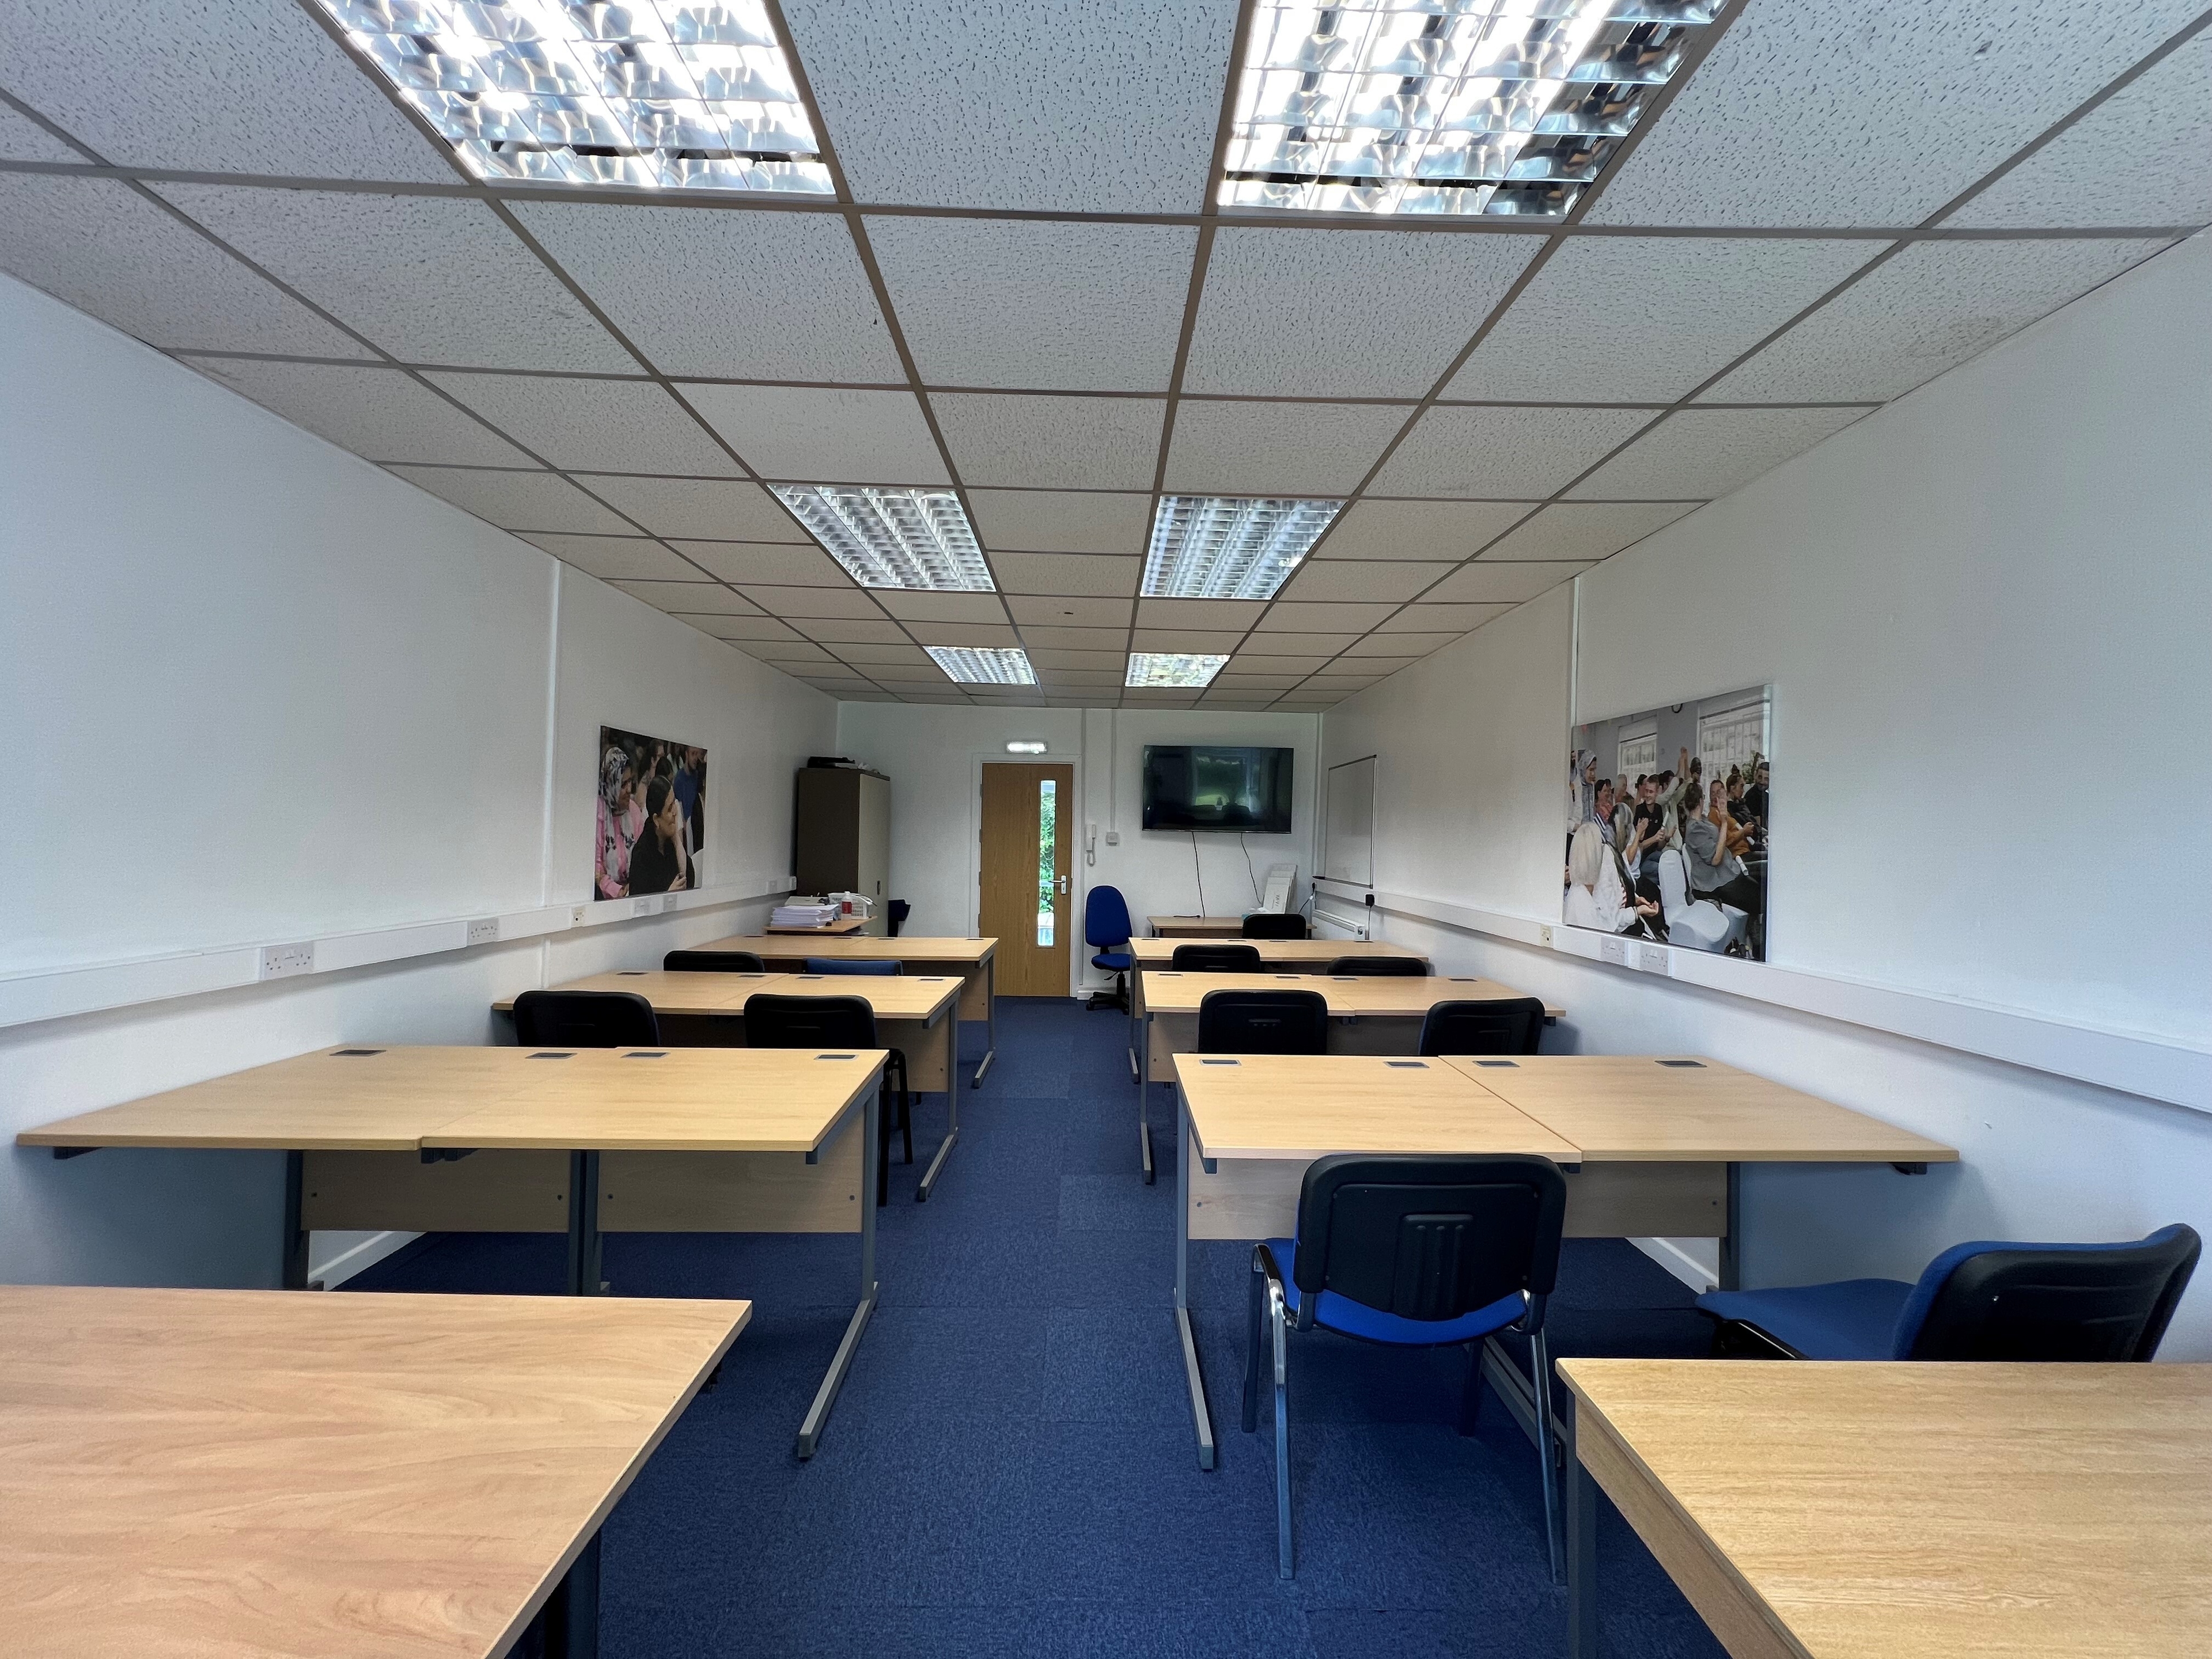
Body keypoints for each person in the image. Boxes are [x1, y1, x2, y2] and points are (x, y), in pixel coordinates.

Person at [1682, 778, 1763, 921]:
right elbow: (1715, 859)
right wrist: (1725, 822)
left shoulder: (1703, 821)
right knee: (1763, 901)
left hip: (1729, 871)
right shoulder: (1695, 829)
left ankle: (1754, 929)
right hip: (1716, 883)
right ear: (1701, 800)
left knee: (1762, 891)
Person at [1565, 821, 1658, 936]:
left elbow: (1612, 920)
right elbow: (1610, 926)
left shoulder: (1592, 888)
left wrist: (1637, 907)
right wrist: (1638, 911)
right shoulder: (1580, 899)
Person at [627, 775, 690, 895]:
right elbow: (640, 905)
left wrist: (676, 839)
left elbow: (687, 877)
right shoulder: (642, 855)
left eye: (674, 804)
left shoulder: (670, 844)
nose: (675, 812)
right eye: (670, 808)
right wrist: (668, 895)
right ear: (656, 820)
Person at [595, 747, 637, 900]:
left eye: (630, 781)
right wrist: (617, 891)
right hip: (605, 899)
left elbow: (641, 855)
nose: (629, 789)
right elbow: (596, 868)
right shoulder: (598, 813)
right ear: (612, 784)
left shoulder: (633, 811)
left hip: (632, 893)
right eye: (623, 784)